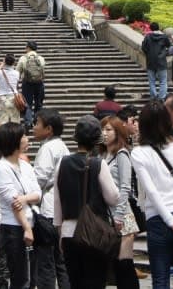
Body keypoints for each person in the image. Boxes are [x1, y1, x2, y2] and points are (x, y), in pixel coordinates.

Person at [131, 99, 173, 289]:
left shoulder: (139, 153)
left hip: (157, 219)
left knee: (160, 279)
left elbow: (151, 191)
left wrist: (172, 223)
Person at [52, 115, 119, 289]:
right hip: (94, 233)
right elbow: (113, 197)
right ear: (97, 140)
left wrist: (59, 229)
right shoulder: (99, 164)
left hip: (68, 232)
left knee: (75, 282)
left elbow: (57, 200)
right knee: (95, 282)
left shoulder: (62, 163)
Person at [0, 121, 40, 289]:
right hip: (14, 228)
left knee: (32, 277)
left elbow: (37, 194)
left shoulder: (26, 165)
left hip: (32, 224)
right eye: (23, 136)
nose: (27, 139)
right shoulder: (1, 168)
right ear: (14, 141)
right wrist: (26, 228)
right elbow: (14, 202)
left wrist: (24, 198)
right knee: (20, 279)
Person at [31, 108, 70, 289]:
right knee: (60, 261)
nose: (34, 127)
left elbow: (39, 178)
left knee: (45, 261)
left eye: (37, 123)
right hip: (60, 209)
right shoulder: (62, 146)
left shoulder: (47, 148)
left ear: (49, 129)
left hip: (47, 209)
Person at [101, 113, 140, 289]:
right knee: (114, 265)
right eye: (103, 129)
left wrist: (119, 215)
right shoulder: (104, 156)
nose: (104, 133)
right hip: (108, 215)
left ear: (117, 132)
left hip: (122, 215)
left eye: (108, 129)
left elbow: (125, 187)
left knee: (124, 263)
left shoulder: (122, 154)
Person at [16, 41, 47, 130]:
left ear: (28, 48)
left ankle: (28, 122)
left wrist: (17, 85)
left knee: (27, 103)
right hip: (39, 83)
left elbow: (17, 72)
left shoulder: (23, 58)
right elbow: (43, 72)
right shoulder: (41, 58)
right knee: (39, 103)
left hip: (27, 83)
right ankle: (37, 121)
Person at [142, 23, 171, 100]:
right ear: (159, 28)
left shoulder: (148, 37)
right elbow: (169, 45)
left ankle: (154, 96)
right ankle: (161, 98)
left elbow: (144, 47)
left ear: (151, 28)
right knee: (163, 81)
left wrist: (148, 54)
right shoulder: (164, 37)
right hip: (161, 61)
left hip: (150, 61)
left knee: (151, 81)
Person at [0, 53, 22, 127]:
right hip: (14, 97)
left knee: (1, 120)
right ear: (14, 62)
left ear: (5, 62)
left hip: (2, 97)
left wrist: (2, 64)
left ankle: (1, 136)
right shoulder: (17, 73)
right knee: (15, 120)